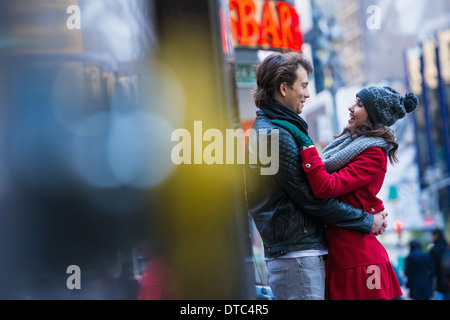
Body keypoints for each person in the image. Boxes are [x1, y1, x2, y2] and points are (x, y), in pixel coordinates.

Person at [244, 52, 387, 300]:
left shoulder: (280, 129)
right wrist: (367, 221)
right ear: (283, 88)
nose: (308, 93)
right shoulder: (275, 135)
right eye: (304, 85)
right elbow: (312, 197)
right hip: (297, 257)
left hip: (299, 254)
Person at [272, 85, 418, 299]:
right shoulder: (350, 147)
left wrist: (306, 145)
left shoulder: (374, 154)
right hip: (343, 255)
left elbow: (325, 187)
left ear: (373, 116)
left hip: (360, 261)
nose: (351, 108)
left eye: (359, 104)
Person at [429, 228, 448, 299]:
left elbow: (432, 268)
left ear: (436, 236)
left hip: (440, 279)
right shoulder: (447, 246)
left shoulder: (434, 250)